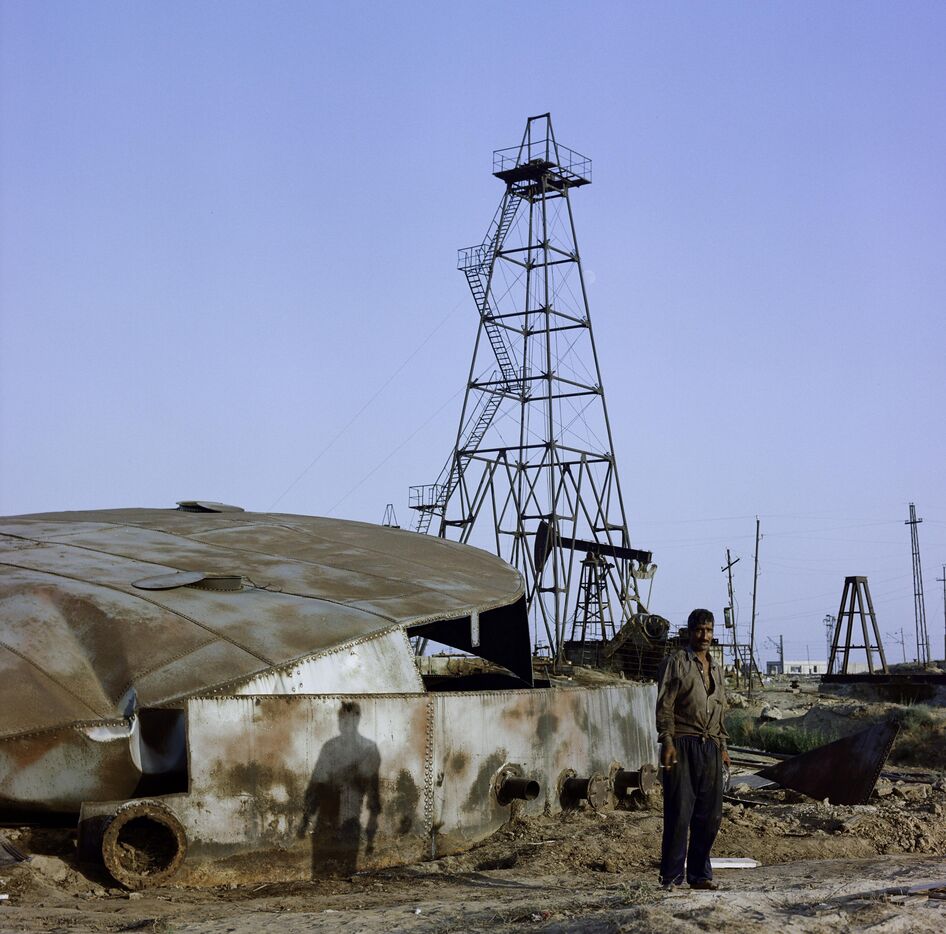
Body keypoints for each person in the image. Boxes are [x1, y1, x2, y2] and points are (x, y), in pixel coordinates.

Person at [655, 608, 730, 890]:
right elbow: (665, 705)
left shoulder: (716, 668)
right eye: (699, 630)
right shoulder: (676, 662)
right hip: (682, 743)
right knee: (679, 813)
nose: (704, 636)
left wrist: (723, 747)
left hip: (710, 745)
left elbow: (720, 710)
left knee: (710, 816)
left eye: (709, 630)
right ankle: (671, 877)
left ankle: (700, 875)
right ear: (689, 632)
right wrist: (667, 740)